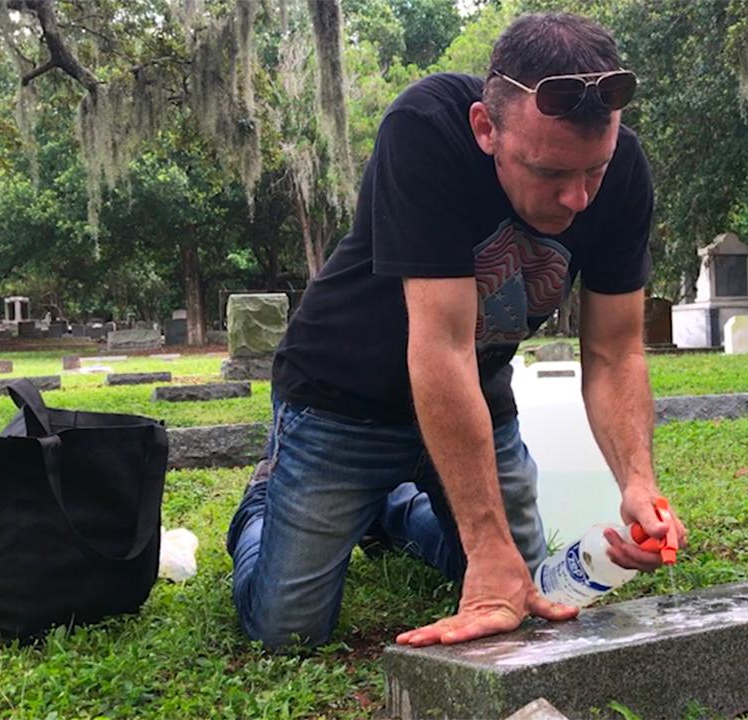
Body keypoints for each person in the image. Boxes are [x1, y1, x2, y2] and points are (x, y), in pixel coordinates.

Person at [226, 11, 688, 651]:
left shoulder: (625, 169)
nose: (578, 198)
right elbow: (439, 345)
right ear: (485, 129)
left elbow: (615, 352)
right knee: (288, 631)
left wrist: (638, 483)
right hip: (341, 400)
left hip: (477, 400)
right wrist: (487, 541)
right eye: (550, 173)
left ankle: (391, 513)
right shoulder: (426, 128)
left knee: (526, 588)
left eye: (594, 171)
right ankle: (261, 506)